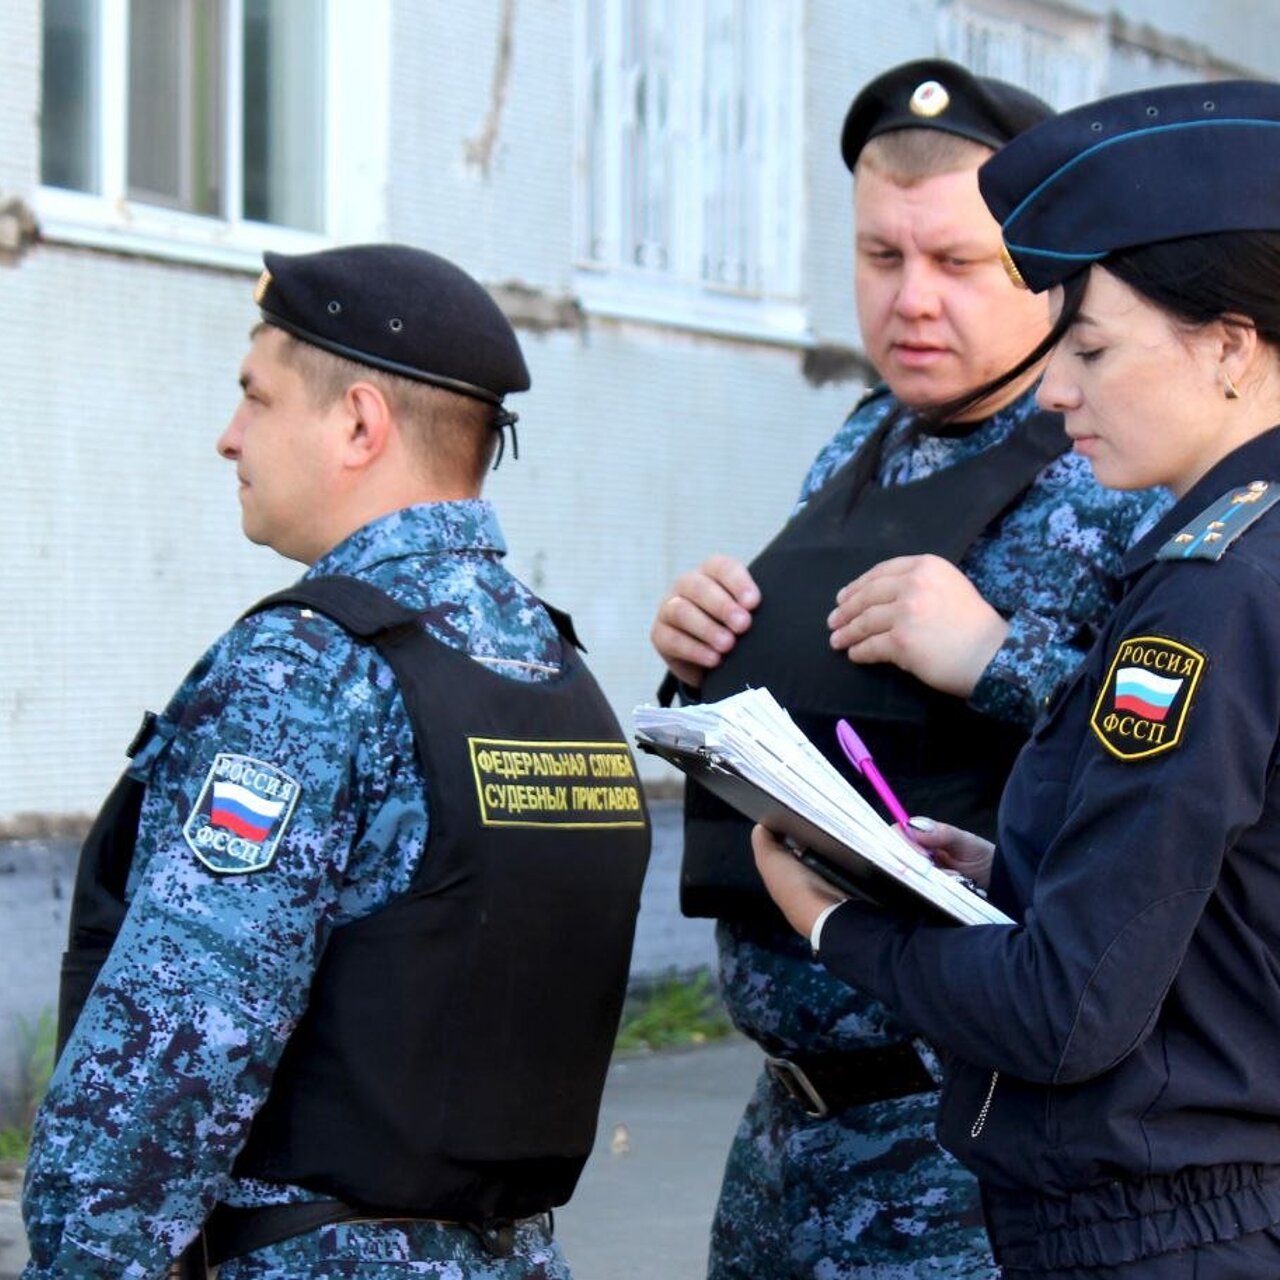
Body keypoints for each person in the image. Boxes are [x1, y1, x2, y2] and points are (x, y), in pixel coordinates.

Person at [21, 244, 651, 1280]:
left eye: (255, 397)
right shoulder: (549, 665)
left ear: (359, 422)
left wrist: (81, 1255)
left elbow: (175, 1046)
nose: (228, 438)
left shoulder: (308, 670)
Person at [649, 60, 1170, 1278]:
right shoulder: (865, 433)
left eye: (954, 263)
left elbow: (1192, 764)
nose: (910, 302)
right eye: (880, 259)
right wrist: (704, 644)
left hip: (959, 1146)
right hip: (789, 1132)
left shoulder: (1109, 458)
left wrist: (996, 656)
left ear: (1041, 262)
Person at [756, 78, 1280, 1279]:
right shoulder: (1228, 556)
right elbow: (1221, 890)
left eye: (1089, 347)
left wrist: (835, 920)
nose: (1055, 389)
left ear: (1228, 347)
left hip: (1157, 1221)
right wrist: (1006, 870)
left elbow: (1064, 1008)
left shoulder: (1210, 590)